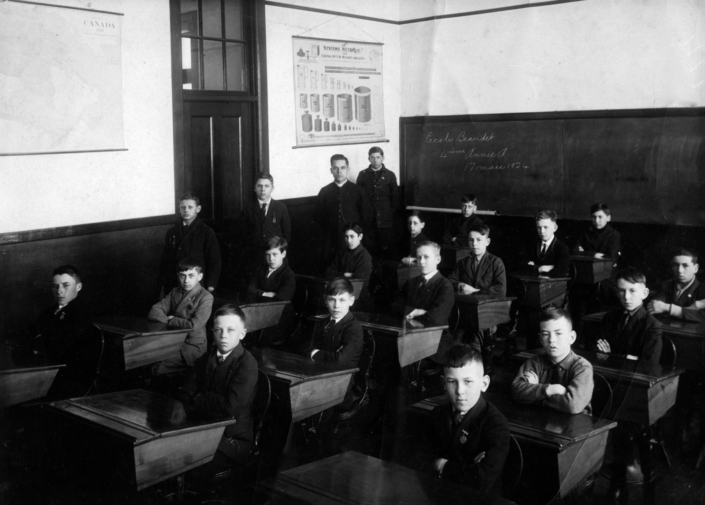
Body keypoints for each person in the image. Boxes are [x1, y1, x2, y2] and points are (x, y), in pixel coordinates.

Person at [419, 344, 510, 497]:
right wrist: (467, 467)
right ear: (443, 383)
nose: (460, 391)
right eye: (452, 381)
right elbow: (419, 461)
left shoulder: (496, 424)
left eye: (468, 381)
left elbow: (482, 480)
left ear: (484, 384)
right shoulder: (437, 414)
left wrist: (442, 464)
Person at [180, 304, 258, 474]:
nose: (223, 335)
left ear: (242, 334)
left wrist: (200, 397)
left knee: (187, 462)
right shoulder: (206, 357)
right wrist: (204, 399)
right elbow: (186, 393)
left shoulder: (247, 364)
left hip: (231, 438)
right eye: (218, 330)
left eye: (230, 330)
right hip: (203, 428)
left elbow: (229, 407)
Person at [13, 265, 101, 401]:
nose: (59, 291)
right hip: (46, 371)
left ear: (78, 287)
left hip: (67, 379)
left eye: (66, 285)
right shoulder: (50, 311)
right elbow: (27, 335)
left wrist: (35, 345)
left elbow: (59, 348)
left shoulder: (82, 314)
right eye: (55, 286)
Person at [511, 307, 594, 414]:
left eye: (558, 333)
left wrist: (536, 392)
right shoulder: (535, 362)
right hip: (540, 420)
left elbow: (572, 406)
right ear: (540, 339)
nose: (551, 340)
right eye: (546, 334)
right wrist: (551, 389)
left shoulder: (582, 367)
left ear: (572, 337)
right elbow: (515, 392)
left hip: (575, 424)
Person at [304, 278, 363, 408]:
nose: (336, 306)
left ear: (351, 301)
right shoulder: (322, 323)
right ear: (325, 300)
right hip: (316, 377)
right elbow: (305, 348)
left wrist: (315, 353)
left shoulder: (354, 329)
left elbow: (339, 359)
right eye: (332, 300)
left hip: (339, 386)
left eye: (342, 300)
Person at [149, 259, 214, 377]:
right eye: (182, 276)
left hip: (191, 347)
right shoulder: (175, 292)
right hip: (172, 342)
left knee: (157, 367)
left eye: (191, 276)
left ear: (200, 277)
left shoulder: (206, 297)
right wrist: (168, 320)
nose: (186, 280)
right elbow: (154, 311)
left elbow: (193, 327)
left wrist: (172, 320)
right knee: (144, 359)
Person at [393, 241, 455, 363]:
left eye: (426, 257)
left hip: (435, 344)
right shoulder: (411, 283)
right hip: (410, 339)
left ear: (438, 259)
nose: (421, 262)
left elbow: (435, 319)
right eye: (419, 257)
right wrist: (415, 312)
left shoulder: (445, 286)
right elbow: (393, 307)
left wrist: (408, 314)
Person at [594, 267, 662, 366]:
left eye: (632, 291)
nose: (626, 297)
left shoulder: (652, 325)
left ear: (644, 293)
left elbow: (648, 363)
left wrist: (611, 355)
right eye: (621, 290)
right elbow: (598, 350)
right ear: (617, 292)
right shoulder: (609, 318)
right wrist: (629, 357)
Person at [313, 154, 373, 266]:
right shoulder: (325, 191)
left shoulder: (358, 190)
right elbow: (318, 216)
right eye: (335, 168)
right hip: (331, 239)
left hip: (352, 240)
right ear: (331, 170)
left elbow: (366, 216)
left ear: (348, 169)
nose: (339, 171)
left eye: (343, 167)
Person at [158, 192, 222, 294]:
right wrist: (163, 282)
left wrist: (211, 285)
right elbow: (165, 260)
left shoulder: (206, 232)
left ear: (198, 209)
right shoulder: (172, 232)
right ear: (179, 209)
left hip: (196, 283)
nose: (186, 210)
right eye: (183, 207)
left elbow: (214, 261)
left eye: (190, 207)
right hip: (174, 283)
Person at [245, 236, 296, 346]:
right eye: (268, 255)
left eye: (274, 254)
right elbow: (249, 289)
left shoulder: (288, 275)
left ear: (283, 254)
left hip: (279, 318)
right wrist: (265, 293)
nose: (271, 258)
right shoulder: (261, 269)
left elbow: (282, 298)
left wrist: (258, 293)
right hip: (258, 313)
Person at [356, 146, 400, 258]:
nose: (375, 160)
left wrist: (389, 213)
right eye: (372, 157)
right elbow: (358, 197)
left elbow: (395, 198)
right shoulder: (362, 174)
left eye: (378, 157)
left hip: (385, 218)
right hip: (368, 218)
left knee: (385, 246)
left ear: (383, 158)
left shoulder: (390, 175)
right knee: (370, 247)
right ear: (369, 159)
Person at [448, 224, 506, 297]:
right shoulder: (462, 262)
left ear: (487, 242)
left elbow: (501, 289)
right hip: (467, 301)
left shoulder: (496, 262)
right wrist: (460, 285)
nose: (474, 244)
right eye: (471, 240)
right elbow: (449, 281)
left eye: (479, 240)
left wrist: (477, 291)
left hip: (487, 303)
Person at [325, 223, 373, 311]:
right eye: (346, 237)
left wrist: (339, 275)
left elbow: (358, 281)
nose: (349, 240)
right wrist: (345, 274)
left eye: (352, 236)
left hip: (357, 297)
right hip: (339, 292)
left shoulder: (365, 257)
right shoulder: (341, 253)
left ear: (360, 236)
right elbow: (328, 273)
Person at [647, 248, 705, 318]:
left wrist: (667, 308)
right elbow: (654, 307)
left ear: (695, 268)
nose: (680, 270)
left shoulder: (702, 289)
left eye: (685, 265)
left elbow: (701, 316)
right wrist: (690, 310)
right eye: (676, 265)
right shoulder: (666, 285)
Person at [525, 210, 570, 278]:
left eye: (546, 227)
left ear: (555, 228)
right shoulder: (532, 245)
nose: (542, 231)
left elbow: (560, 272)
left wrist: (533, 268)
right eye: (539, 227)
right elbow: (521, 266)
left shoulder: (562, 248)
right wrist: (540, 268)